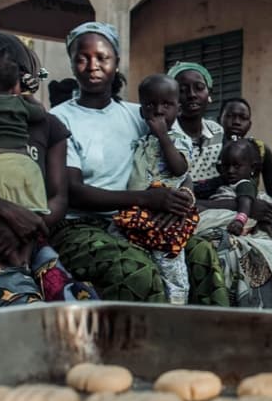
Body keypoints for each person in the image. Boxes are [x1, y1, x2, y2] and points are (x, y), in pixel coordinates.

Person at [48, 22, 228, 304]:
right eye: (82, 58)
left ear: (116, 61)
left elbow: (179, 165)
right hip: (79, 226)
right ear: (71, 63)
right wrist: (146, 199)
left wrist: (182, 199)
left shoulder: (142, 114)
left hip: (140, 221)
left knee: (201, 255)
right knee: (137, 271)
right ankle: (151, 334)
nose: (93, 65)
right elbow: (73, 191)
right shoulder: (60, 118)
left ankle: (211, 333)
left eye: (102, 57)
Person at [170, 62, 272, 307]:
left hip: (227, 210)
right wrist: (240, 207)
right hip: (192, 214)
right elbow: (179, 198)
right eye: (182, 89)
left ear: (209, 93)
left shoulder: (220, 134)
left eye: (198, 87)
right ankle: (234, 314)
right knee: (229, 249)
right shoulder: (167, 138)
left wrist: (249, 207)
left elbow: (240, 184)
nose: (191, 95)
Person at [0, 31, 97, 305]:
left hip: (30, 235)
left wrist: (23, 227)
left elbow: (58, 199)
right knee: (19, 299)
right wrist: (9, 214)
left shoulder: (49, 125)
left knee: (74, 306)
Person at [112, 74, 198, 305]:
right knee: (124, 248)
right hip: (138, 211)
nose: (159, 111)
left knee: (168, 260)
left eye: (166, 105)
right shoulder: (141, 140)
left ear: (178, 109)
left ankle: (176, 304)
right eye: (151, 105)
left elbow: (180, 169)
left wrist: (163, 137)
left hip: (166, 216)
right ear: (142, 111)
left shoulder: (179, 139)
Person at [196, 138, 272, 308]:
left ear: (253, 168)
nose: (231, 171)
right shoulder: (224, 185)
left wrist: (239, 221)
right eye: (226, 166)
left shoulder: (244, 185)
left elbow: (245, 204)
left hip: (239, 221)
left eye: (236, 166)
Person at [0, 44, 49, 266]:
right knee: (31, 215)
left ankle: (11, 261)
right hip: (28, 169)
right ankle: (24, 260)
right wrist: (27, 94)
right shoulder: (20, 103)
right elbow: (41, 113)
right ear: (15, 85)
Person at [218, 97, 272, 207]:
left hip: (252, 207)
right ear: (219, 119)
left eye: (243, 118)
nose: (236, 122)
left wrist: (265, 206)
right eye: (230, 116)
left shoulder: (260, 150)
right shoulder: (211, 147)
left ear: (249, 124)